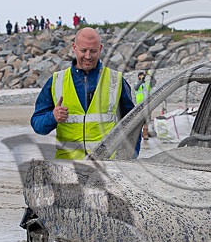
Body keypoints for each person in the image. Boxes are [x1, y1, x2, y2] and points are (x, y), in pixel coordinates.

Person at [31, 27, 140, 159]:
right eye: (83, 50)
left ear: (100, 49)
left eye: (93, 51)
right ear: (74, 47)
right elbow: (37, 125)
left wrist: (130, 158)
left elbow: (134, 124)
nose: (88, 56)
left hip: (106, 167)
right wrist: (52, 117)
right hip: (69, 169)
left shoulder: (116, 81)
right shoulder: (56, 81)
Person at [135, 71, 151, 140]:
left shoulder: (147, 84)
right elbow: (136, 88)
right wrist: (141, 80)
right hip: (140, 105)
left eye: (143, 75)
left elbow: (154, 82)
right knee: (140, 121)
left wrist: (150, 74)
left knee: (146, 121)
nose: (142, 76)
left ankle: (145, 135)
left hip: (147, 104)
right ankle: (139, 134)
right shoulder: (137, 84)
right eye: (140, 75)